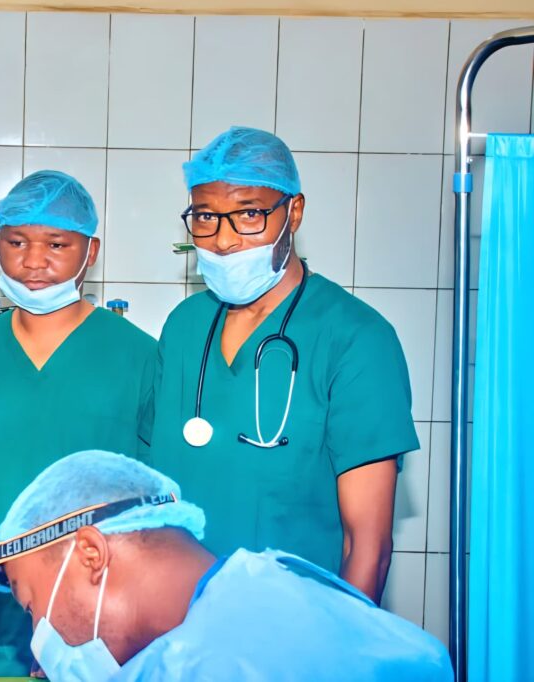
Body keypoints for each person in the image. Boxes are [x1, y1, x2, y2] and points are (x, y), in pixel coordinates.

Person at [0, 171, 157, 677]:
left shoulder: (141, 359)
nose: (34, 261)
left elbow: (159, 506)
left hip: (102, 624)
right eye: (16, 242)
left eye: (56, 244)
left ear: (91, 250)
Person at [148, 127, 419, 602]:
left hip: (296, 630)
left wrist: (342, 657)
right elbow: (146, 500)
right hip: (175, 626)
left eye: (249, 214)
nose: (224, 240)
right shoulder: (184, 326)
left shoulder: (355, 338)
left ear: (293, 211)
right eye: (206, 217)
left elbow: (368, 545)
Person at [0, 450, 453, 681]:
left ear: (91, 554)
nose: (41, 640)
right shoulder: (279, 578)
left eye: (31, 605)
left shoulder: (202, 665)